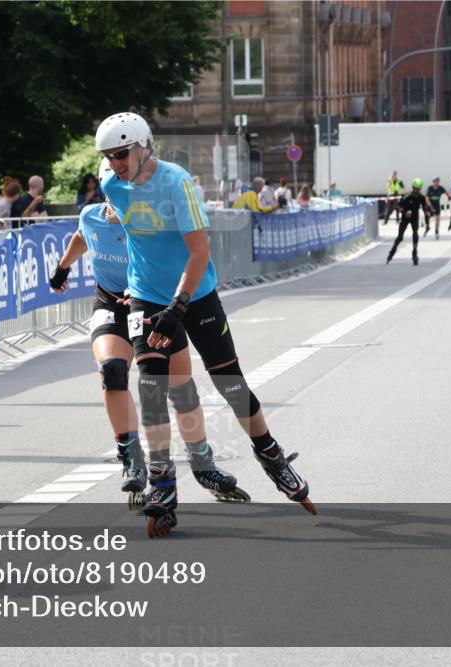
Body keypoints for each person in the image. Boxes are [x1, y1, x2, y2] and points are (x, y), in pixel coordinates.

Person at [96, 111, 316, 536]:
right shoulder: (112, 183)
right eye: (109, 156)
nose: (116, 163)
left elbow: (198, 253)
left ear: (144, 147)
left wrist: (177, 308)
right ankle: (161, 484)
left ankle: (270, 455)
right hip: (144, 294)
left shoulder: (176, 183)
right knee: (152, 384)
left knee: (230, 384)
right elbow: (116, 209)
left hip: (194, 294)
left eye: (122, 153)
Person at [49, 188, 248, 508]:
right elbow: (82, 237)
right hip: (112, 304)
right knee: (112, 370)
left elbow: (184, 262)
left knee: (181, 388)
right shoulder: (91, 216)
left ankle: (203, 463)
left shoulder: (151, 224)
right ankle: (130, 456)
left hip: (152, 307)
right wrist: (62, 268)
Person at [386, 178, 431, 266]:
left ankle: (414, 253)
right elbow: (397, 207)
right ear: (412, 187)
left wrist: (427, 223)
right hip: (405, 218)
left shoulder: (422, 197)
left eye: (418, 189)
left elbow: (425, 210)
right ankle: (392, 251)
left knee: (415, 234)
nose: (416, 191)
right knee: (400, 237)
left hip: (414, 217)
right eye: (415, 188)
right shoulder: (407, 196)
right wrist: (404, 212)